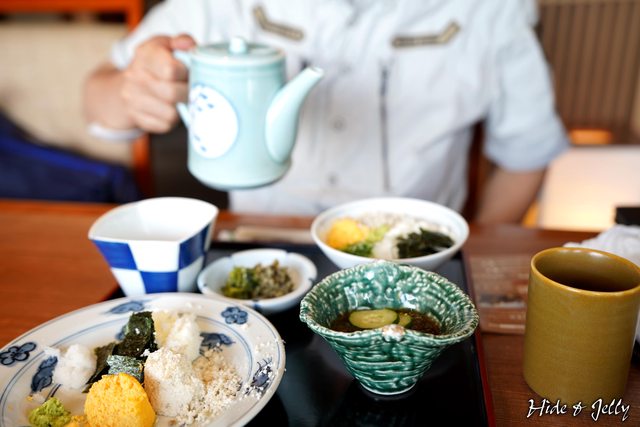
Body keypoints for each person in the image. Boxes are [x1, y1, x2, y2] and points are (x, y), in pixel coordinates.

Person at [84, 0, 569, 223]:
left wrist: (465, 254)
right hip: (261, 244)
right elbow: (94, 96)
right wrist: (132, 91)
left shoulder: (495, 11)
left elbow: (526, 155)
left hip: (411, 258)